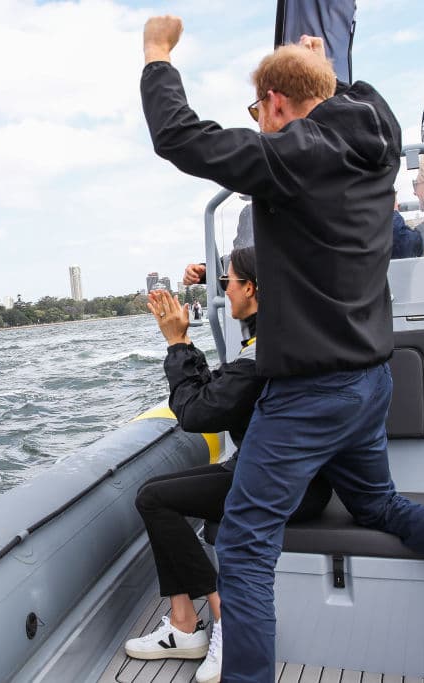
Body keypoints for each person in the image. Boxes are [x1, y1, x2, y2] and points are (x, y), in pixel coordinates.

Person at [139, 17, 424, 678]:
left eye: (259, 112)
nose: (259, 125)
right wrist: (325, 71)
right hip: (369, 382)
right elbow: (347, 98)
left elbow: (179, 136)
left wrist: (157, 54)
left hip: (309, 393)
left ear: (276, 104)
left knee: (244, 541)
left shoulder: (290, 157)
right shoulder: (377, 135)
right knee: (384, 508)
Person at [125, 247, 332, 683]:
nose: (223, 293)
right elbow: (218, 393)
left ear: (251, 289)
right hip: (273, 472)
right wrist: (191, 326)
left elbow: (196, 412)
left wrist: (177, 343)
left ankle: (223, 618)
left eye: (228, 284)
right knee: (153, 496)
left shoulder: (263, 356)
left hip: (282, 486)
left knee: (155, 500)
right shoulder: (279, 336)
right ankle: (183, 624)